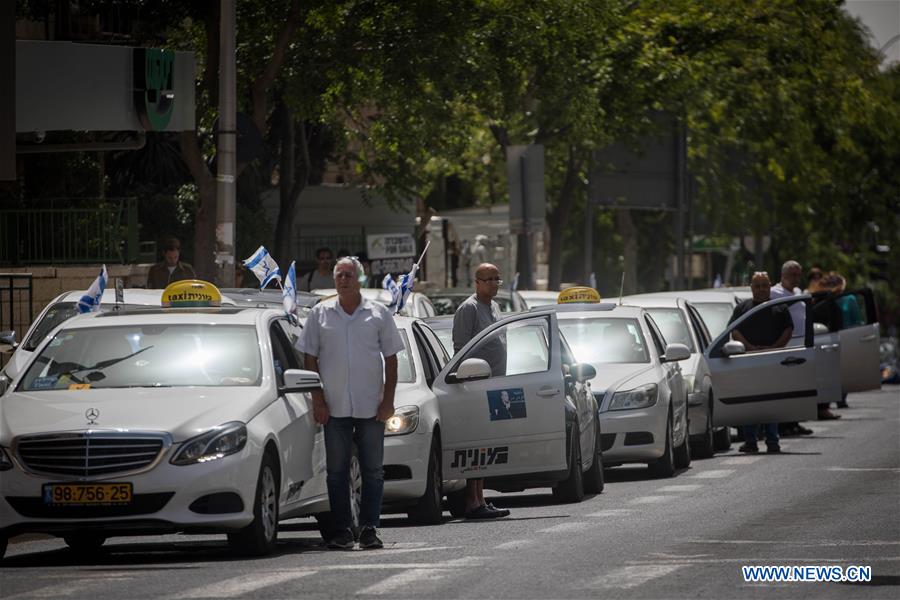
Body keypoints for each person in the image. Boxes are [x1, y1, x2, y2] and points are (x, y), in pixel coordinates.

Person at [299, 256, 404, 550]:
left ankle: (370, 527)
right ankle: (343, 530)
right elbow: (309, 359)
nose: (343, 279)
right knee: (336, 471)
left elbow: (392, 358)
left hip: (371, 406)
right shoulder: (319, 314)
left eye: (348, 275)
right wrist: (317, 399)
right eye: (339, 275)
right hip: (333, 408)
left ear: (359, 279)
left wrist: (389, 401)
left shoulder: (378, 314)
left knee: (373, 470)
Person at [452, 262, 511, 519]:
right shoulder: (469, 308)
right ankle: (472, 502)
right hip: (476, 387)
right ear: (477, 282)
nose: (495, 283)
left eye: (497, 278)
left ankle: (481, 499)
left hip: (495, 386)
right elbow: (461, 349)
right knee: (477, 446)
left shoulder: (494, 307)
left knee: (487, 446)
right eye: (489, 279)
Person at [728, 271, 793, 453]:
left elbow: (788, 330)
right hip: (749, 363)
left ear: (770, 286)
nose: (761, 289)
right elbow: (734, 331)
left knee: (771, 403)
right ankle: (751, 441)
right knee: (751, 403)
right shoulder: (742, 308)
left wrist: (773, 349)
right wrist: (750, 348)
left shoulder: (780, 308)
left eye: (765, 285)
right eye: (757, 285)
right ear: (751, 287)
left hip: (773, 363)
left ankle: (773, 441)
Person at [770, 261, 814, 437]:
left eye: (798, 274)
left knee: (798, 386)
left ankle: (794, 422)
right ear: (784, 275)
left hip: (801, 344)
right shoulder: (775, 293)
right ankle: (783, 425)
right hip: (785, 345)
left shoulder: (797, 293)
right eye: (793, 274)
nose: (797, 278)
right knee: (785, 386)